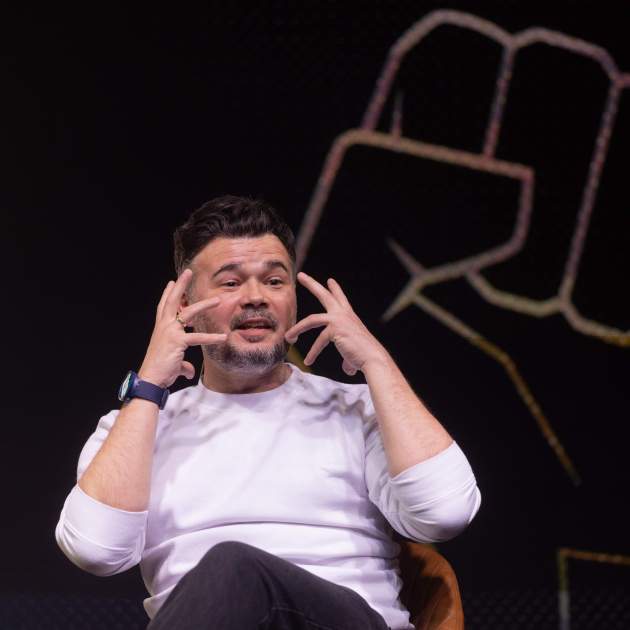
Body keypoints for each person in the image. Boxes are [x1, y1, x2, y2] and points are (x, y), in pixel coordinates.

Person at [55, 194, 481, 630]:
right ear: (184, 306)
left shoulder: (356, 409)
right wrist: (147, 387)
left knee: (234, 568)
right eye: (230, 283)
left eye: (275, 281)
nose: (256, 297)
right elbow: (96, 550)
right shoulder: (138, 426)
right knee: (231, 572)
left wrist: (377, 361)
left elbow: (446, 513)